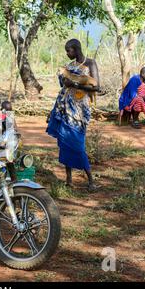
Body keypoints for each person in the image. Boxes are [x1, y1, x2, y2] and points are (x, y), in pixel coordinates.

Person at [46, 39, 101, 192]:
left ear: (76, 49)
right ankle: (69, 180)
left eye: (68, 50)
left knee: (78, 145)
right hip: (64, 109)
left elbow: (97, 87)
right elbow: (63, 86)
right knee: (65, 144)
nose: (67, 53)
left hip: (79, 112)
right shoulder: (69, 67)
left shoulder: (90, 63)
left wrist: (75, 84)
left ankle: (90, 180)